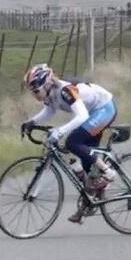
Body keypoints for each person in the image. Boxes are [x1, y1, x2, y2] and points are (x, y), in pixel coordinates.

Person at [21, 64, 118, 223]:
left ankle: (108, 172)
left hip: (104, 108)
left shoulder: (65, 91)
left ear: (46, 84)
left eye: (36, 91)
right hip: (93, 114)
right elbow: (49, 111)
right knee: (85, 158)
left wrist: (60, 131)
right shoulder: (50, 94)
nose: (35, 95)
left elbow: (81, 116)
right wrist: (31, 122)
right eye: (32, 92)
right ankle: (91, 200)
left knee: (73, 142)